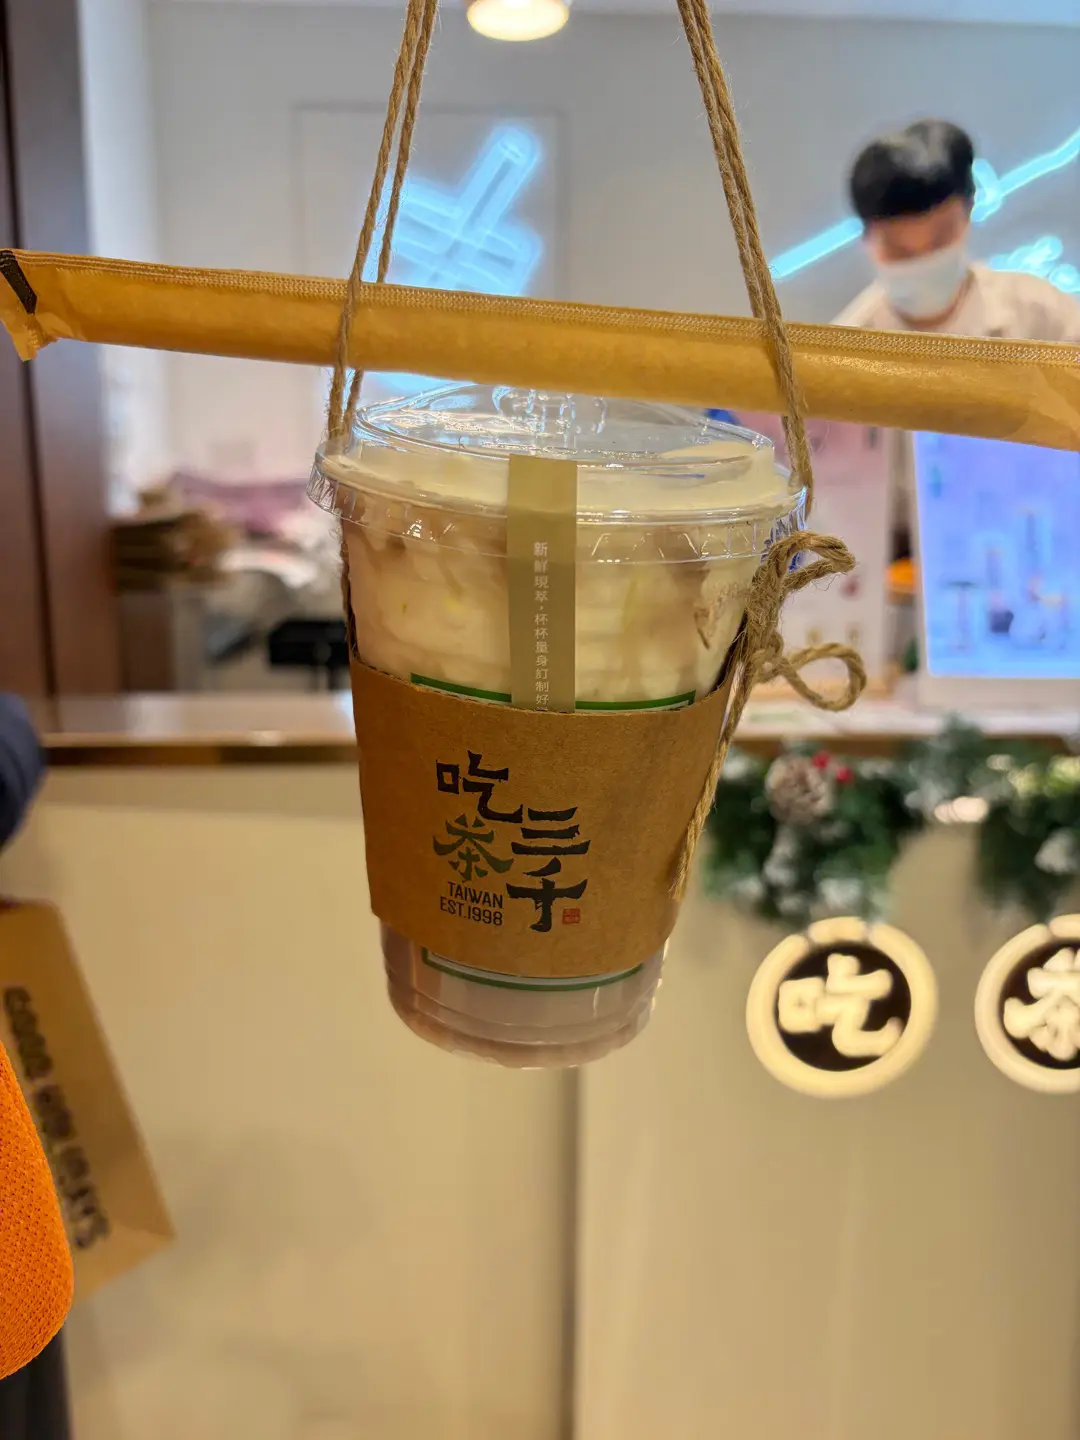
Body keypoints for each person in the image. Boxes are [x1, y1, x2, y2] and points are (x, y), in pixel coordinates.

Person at [835, 118, 1080, 342]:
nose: (924, 260)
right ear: (866, 239)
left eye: (940, 239)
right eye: (900, 251)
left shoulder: (1043, 313)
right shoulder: (842, 352)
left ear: (968, 212)